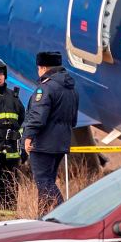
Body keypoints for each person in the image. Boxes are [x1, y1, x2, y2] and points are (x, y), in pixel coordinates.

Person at [22, 51, 79, 216]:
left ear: (43, 68)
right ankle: (44, 218)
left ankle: (66, 214)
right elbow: (73, 120)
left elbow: (37, 117)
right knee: (48, 182)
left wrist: (28, 136)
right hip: (62, 143)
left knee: (44, 182)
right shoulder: (71, 89)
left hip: (43, 144)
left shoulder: (46, 88)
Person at [0, 57, 25, 213]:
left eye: (1, 74)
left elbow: (22, 120)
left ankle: (6, 222)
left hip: (11, 154)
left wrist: (21, 147)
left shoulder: (13, 97)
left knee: (9, 190)